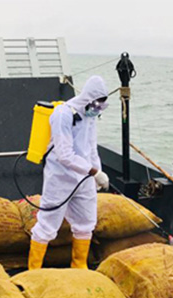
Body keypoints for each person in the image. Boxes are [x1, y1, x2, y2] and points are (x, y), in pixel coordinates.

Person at [28, 75, 110, 270]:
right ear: (88, 97)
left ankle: (79, 267)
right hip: (60, 178)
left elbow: (91, 148)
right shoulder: (62, 114)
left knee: (86, 223)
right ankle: (33, 271)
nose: (97, 110)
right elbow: (65, 155)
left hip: (84, 179)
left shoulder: (90, 117)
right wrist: (93, 172)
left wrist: (98, 172)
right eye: (96, 105)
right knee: (47, 225)